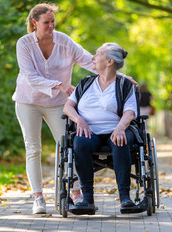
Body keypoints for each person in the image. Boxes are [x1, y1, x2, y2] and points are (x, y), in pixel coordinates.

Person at [12, 3, 137, 214]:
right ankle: (38, 198)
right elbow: (31, 77)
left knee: (70, 144)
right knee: (33, 148)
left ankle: (78, 194)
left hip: (58, 103)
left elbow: (93, 61)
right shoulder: (24, 44)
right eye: (46, 22)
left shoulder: (64, 41)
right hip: (28, 101)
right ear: (34, 23)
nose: (51, 26)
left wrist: (122, 77)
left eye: (53, 21)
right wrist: (59, 85)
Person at [63, 43, 139, 215]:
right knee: (80, 142)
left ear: (110, 61)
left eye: (97, 54)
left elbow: (130, 111)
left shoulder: (124, 85)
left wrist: (120, 127)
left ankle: (125, 198)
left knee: (121, 140)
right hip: (89, 130)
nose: (92, 58)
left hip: (117, 129)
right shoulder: (85, 83)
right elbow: (68, 107)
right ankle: (87, 199)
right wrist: (79, 120)